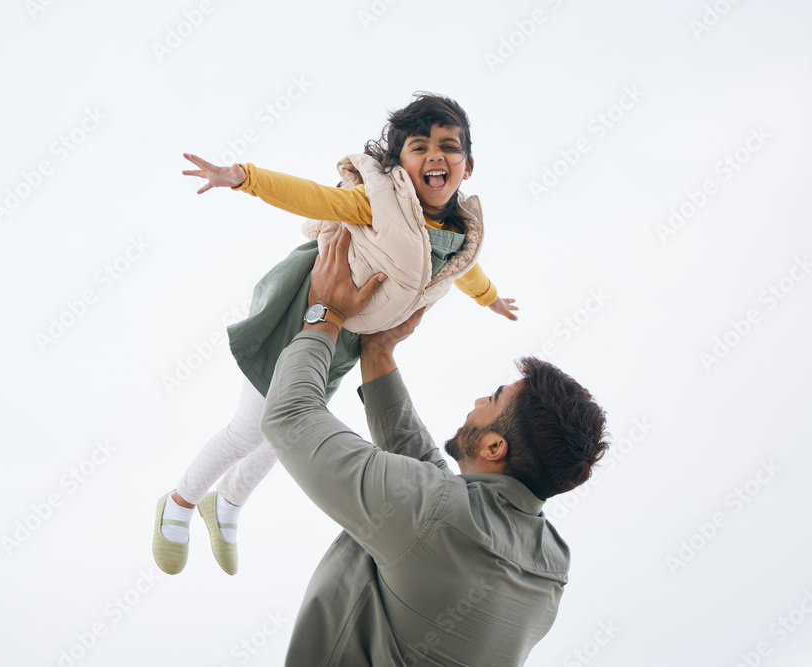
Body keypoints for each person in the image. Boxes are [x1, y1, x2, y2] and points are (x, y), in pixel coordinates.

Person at [154, 93, 519, 576]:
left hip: (340, 337)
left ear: (466, 166)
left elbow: (462, 270)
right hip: (303, 315)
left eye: (449, 147)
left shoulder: (456, 233)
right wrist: (245, 178)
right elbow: (315, 197)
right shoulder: (378, 205)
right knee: (252, 426)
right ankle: (178, 502)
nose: (435, 155)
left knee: (287, 431)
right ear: (400, 164)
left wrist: (490, 297)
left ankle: (226, 507)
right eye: (418, 146)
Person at [260, 226, 610, 666]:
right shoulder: (549, 566)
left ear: (495, 447)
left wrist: (325, 314)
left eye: (495, 398)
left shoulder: (437, 516)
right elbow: (436, 495)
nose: (480, 400)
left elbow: (290, 417)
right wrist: (380, 352)